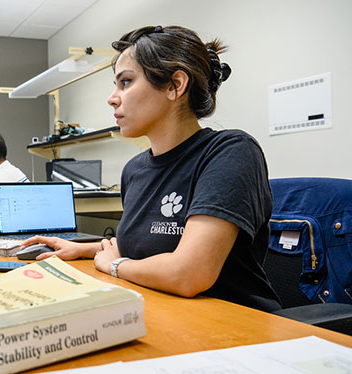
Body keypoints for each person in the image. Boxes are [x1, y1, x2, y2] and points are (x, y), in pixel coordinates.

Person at [21, 25, 282, 312]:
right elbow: (144, 245)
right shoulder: (134, 170)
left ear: (174, 86)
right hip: (165, 312)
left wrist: (116, 266)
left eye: (126, 82)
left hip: (236, 329)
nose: (112, 97)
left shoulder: (230, 152)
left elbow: (188, 273)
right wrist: (82, 249)